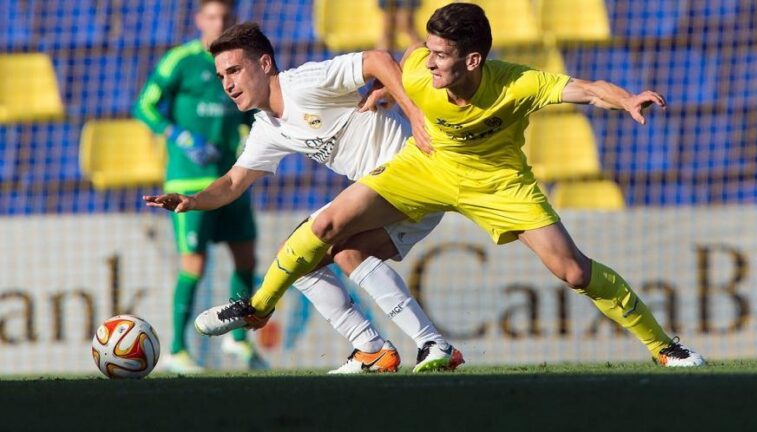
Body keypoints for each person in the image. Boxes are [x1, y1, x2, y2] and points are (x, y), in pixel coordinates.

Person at [193, 2, 706, 368]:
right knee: (326, 228)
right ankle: (259, 306)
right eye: (430, 50)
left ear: (472, 61)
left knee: (572, 271)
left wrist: (625, 99)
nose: (429, 60)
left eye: (440, 54)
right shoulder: (420, 71)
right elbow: (396, 61)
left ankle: (664, 346)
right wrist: (391, 95)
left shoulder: (517, 83)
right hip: (425, 168)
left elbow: (588, 90)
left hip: (498, 184)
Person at [144, 22, 464, 373]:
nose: (227, 84)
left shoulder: (304, 83)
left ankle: (424, 344)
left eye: (234, 70)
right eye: (221, 76)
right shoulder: (267, 128)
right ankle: (379, 349)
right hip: (384, 195)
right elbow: (233, 182)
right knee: (311, 260)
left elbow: (377, 59)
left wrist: (414, 114)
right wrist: (194, 200)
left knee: (311, 238)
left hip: (412, 171)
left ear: (265, 64)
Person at [133, 0, 266, 373]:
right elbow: (145, 106)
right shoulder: (181, 61)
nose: (218, 23)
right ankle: (177, 349)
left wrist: (247, 138)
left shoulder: (240, 63)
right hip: (189, 178)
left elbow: (253, 113)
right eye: (212, 16)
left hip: (231, 179)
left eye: (225, 17)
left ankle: (238, 338)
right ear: (199, 20)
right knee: (194, 262)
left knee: (246, 258)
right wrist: (180, 136)